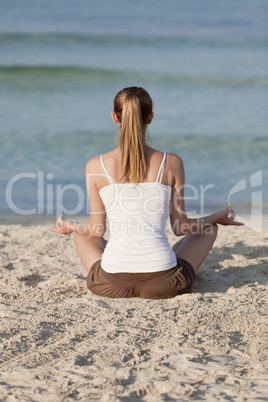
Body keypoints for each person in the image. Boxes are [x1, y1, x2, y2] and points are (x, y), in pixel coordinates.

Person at [51, 86, 243, 299]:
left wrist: (69, 227)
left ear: (115, 117)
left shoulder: (96, 166)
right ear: (150, 118)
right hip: (165, 284)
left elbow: (96, 230)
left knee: (81, 234)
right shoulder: (171, 162)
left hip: (111, 285)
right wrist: (216, 217)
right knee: (209, 229)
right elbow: (181, 227)